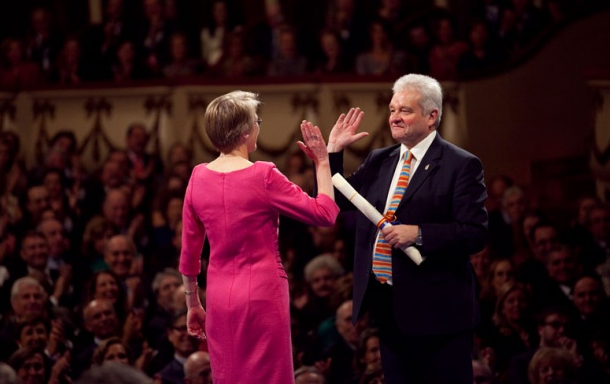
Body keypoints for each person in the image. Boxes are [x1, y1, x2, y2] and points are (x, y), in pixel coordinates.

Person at [325, 73, 488, 383]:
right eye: (391, 110)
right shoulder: (378, 160)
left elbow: (475, 232)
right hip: (389, 310)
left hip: (440, 315)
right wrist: (334, 153)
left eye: (405, 111)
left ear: (432, 116)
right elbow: (337, 201)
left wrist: (420, 234)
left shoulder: (462, 165)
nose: (394, 118)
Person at [179, 90, 339, 383]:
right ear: (243, 132)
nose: (258, 126)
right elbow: (325, 214)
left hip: (218, 296)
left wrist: (193, 305)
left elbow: (189, 254)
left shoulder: (197, 176)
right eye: (257, 121)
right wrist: (322, 162)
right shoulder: (263, 175)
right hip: (263, 293)